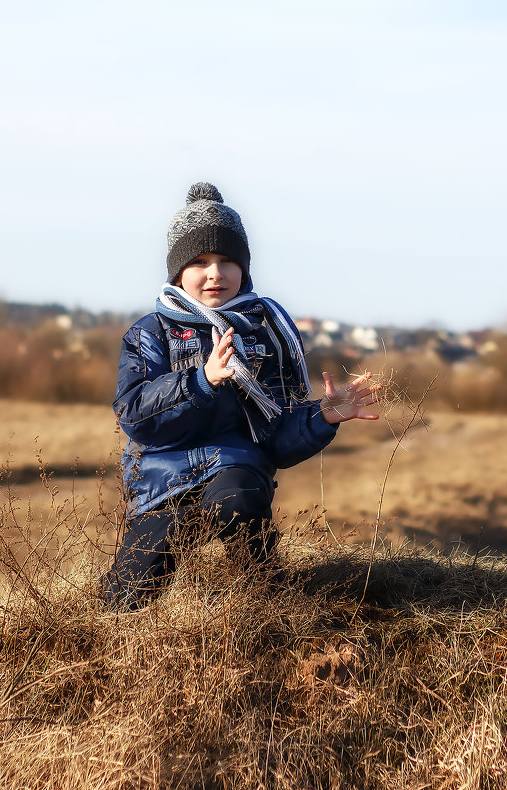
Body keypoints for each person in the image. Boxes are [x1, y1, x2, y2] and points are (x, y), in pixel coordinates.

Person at [102, 181, 379, 609]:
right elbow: (136, 415)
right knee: (127, 596)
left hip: (236, 468)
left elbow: (275, 437)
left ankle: (261, 595)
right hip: (161, 479)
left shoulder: (266, 335)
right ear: (177, 273)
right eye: (199, 261)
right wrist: (201, 380)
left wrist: (321, 417)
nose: (215, 273)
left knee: (241, 500)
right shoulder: (149, 333)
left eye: (227, 260)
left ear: (244, 269)